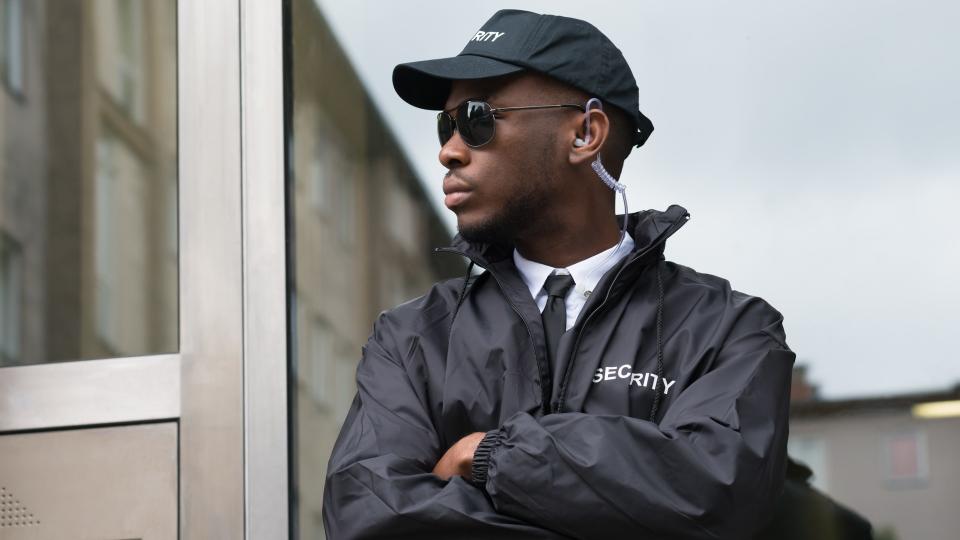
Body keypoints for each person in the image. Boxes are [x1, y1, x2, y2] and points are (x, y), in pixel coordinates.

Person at [323, 9, 795, 539]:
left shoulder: (726, 329)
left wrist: (488, 456)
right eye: (445, 124)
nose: (448, 151)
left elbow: (719, 495)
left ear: (586, 133)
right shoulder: (413, 338)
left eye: (477, 119)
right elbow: (369, 518)